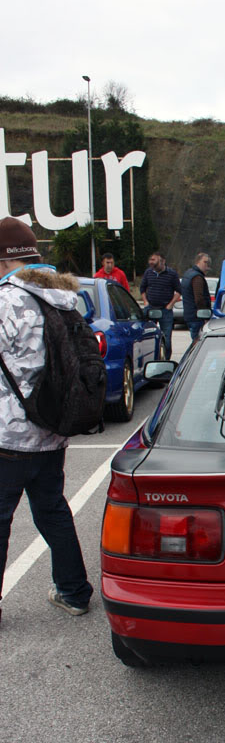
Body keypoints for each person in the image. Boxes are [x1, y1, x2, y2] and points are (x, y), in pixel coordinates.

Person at [0, 217, 94, 622]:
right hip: (53, 429)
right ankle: (74, 591)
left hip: (9, 435)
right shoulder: (64, 298)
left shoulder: (7, 302)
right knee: (53, 509)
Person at [139, 251, 181, 357]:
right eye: (151, 260)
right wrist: (145, 302)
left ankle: (166, 360)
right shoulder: (148, 272)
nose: (152, 263)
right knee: (148, 336)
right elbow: (142, 288)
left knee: (166, 338)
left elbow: (179, 291)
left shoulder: (172, 274)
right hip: (151, 309)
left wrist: (170, 304)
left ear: (162, 261)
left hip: (165, 310)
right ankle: (150, 358)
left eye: (154, 260)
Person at [181, 252, 212, 341]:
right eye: (205, 262)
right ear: (197, 262)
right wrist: (205, 315)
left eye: (208, 263)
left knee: (195, 340)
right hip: (197, 317)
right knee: (198, 343)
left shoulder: (188, 274)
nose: (207, 265)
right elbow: (199, 298)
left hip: (190, 314)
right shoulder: (197, 277)